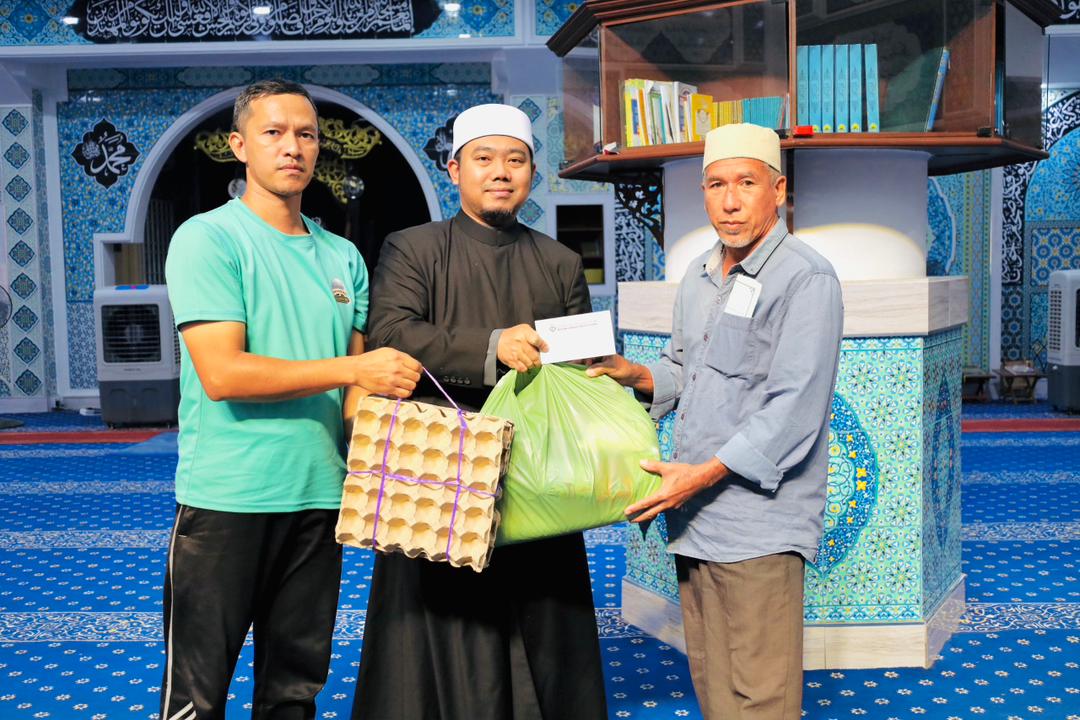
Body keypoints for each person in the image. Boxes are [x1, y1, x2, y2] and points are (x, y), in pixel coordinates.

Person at [160, 79, 421, 720]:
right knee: (196, 698)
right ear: (238, 145)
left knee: (294, 692)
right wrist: (355, 368)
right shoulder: (207, 238)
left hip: (320, 495)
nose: (292, 147)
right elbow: (224, 373)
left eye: (305, 134)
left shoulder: (343, 257)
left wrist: (413, 458)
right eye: (273, 132)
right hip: (229, 495)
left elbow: (356, 395)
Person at [351, 103, 606, 720]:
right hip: (439, 469)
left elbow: (579, 366)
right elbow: (391, 331)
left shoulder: (561, 262)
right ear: (454, 170)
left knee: (543, 609)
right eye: (484, 158)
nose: (500, 172)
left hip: (537, 470)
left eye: (515, 160)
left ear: (531, 174)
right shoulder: (413, 248)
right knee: (441, 623)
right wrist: (493, 347)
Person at [588, 123, 844, 720]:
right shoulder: (699, 276)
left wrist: (698, 477)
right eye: (716, 185)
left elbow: (795, 408)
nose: (730, 201)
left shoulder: (806, 277)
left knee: (761, 692)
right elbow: (685, 370)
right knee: (713, 680)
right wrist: (633, 373)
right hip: (696, 516)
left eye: (746, 183)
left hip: (758, 523)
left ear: (777, 191)